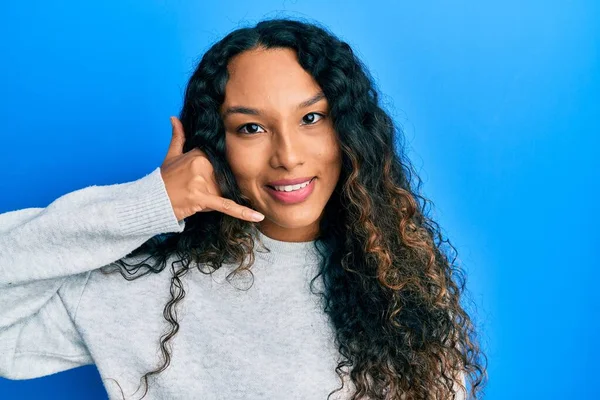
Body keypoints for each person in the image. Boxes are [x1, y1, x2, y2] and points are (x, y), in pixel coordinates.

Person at [0, 17, 486, 400]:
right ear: (214, 146)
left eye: (312, 118)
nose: (288, 156)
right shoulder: (140, 288)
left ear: (350, 132)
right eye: (251, 128)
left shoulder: (397, 282)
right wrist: (148, 202)